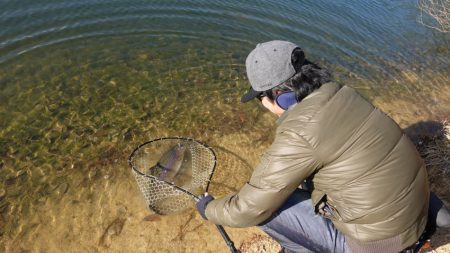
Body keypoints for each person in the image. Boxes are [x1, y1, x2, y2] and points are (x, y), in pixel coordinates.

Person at [196, 40, 437, 253]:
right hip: (415, 214)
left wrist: (209, 208)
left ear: (278, 96)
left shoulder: (299, 133)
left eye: (260, 97)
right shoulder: (344, 93)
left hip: (379, 244)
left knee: (268, 211)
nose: (263, 104)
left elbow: (248, 209)